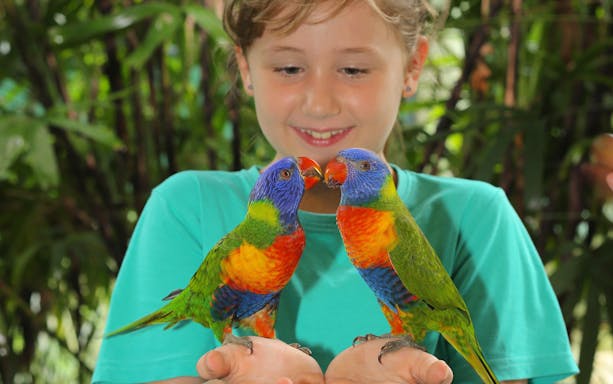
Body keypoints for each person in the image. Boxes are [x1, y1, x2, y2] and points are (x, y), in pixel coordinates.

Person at [92, 0, 579, 383]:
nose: (320, 103)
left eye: (352, 70)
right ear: (245, 68)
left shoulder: (477, 218)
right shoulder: (186, 208)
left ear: (413, 67)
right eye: (288, 68)